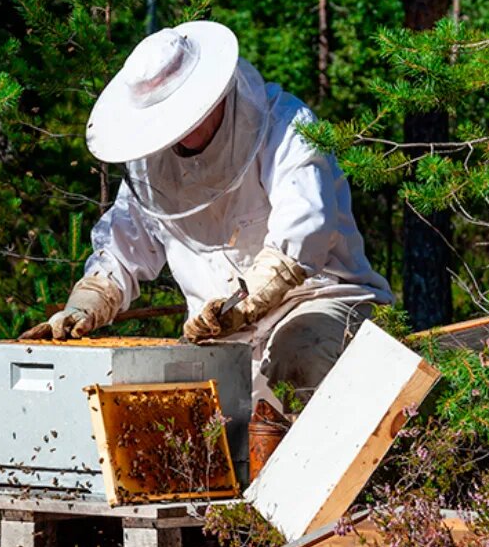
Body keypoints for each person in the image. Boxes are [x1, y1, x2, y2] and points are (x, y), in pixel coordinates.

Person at [21, 21, 392, 410]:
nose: (178, 130)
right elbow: (123, 246)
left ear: (213, 93)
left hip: (317, 302)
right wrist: (87, 301)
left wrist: (247, 300)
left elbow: (305, 227)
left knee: (301, 354)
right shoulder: (151, 164)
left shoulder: (285, 124)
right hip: (217, 334)